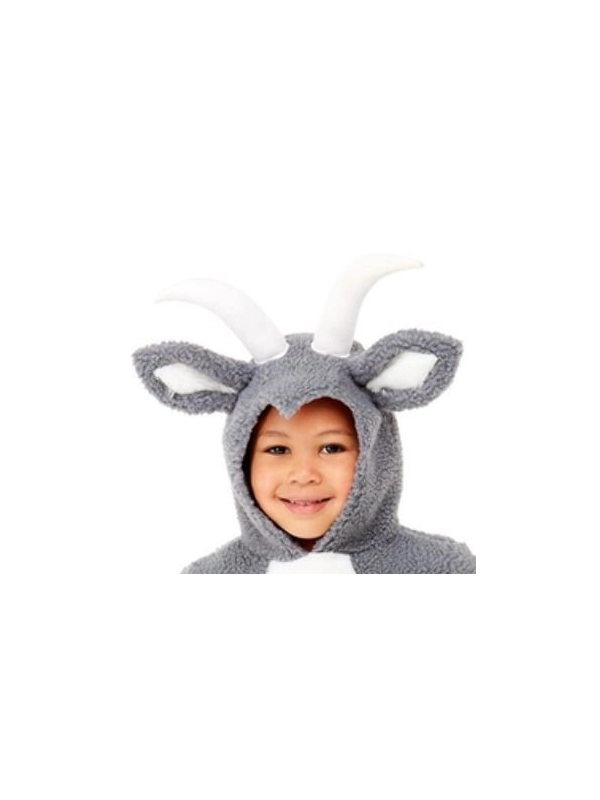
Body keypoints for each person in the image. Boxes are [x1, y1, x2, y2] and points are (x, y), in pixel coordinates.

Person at [133, 255, 476, 574]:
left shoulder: (443, 571)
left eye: (331, 448)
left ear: (375, 450)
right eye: (278, 449)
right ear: (242, 458)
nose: (304, 474)